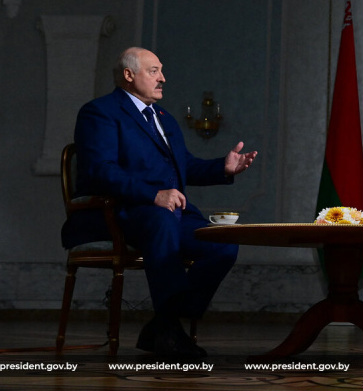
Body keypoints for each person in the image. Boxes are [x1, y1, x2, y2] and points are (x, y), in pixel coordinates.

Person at [61, 47, 257, 358]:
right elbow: (100, 170)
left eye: (161, 71)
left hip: (169, 213)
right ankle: (168, 332)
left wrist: (223, 168)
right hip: (119, 211)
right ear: (129, 75)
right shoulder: (100, 112)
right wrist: (153, 196)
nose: (163, 78)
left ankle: (164, 324)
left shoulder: (163, 117)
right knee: (161, 220)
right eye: (154, 71)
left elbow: (184, 165)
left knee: (222, 243)